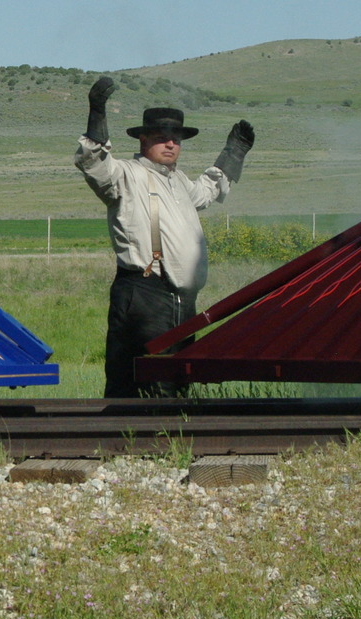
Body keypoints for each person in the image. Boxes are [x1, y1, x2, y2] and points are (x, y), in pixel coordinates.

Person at [75, 76, 254, 398]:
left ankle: (170, 431)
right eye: (162, 138)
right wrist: (97, 114)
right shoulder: (126, 175)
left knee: (176, 372)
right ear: (143, 140)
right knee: (141, 374)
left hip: (181, 298)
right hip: (144, 292)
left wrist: (234, 152)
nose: (171, 144)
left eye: (176, 139)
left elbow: (207, 191)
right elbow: (94, 163)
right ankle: (131, 432)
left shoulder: (179, 181)